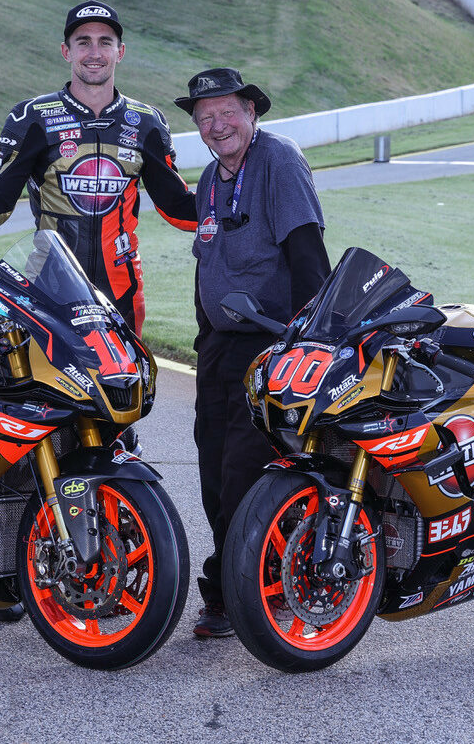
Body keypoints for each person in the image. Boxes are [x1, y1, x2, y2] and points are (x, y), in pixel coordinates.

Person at [0, 0, 197, 337]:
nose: (95, 52)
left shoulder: (147, 122)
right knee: (47, 387)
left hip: (122, 289)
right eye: (83, 42)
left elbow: (178, 207)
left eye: (105, 42)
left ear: (120, 52)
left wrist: (235, 204)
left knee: (125, 384)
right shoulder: (33, 117)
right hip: (48, 287)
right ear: (66, 51)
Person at [174, 68, 330, 638]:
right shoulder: (211, 178)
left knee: (246, 470)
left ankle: (253, 595)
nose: (217, 126)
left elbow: (308, 253)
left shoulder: (279, 161)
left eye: (227, 113)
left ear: (251, 112)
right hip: (219, 348)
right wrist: (202, 337)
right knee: (214, 471)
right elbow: (206, 265)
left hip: (272, 344)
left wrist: (306, 343)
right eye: (205, 118)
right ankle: (232, 590)